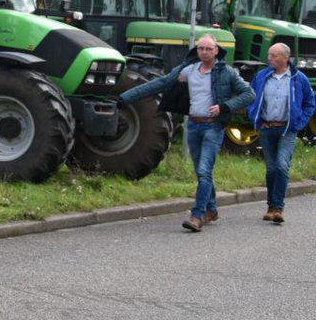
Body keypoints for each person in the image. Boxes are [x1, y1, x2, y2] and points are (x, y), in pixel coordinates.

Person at [119, 34, 253, 232]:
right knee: (201, 171)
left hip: (213, 127)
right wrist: (126, 97)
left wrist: (225, 107)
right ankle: (212, 209)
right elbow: (160, 83)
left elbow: (249, 94)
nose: (205, 52)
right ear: (196, 50)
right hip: (194, 126)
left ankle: (197, 215)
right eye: (201, 49)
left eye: (209, 49)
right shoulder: (187, 70)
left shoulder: (227, 72)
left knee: (204, 171)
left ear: (216, 51)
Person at [248, 42, 316, 224]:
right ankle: (270, 206)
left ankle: (278, 207)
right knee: (271, 169)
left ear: (285, 58)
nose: (269, 58)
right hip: (266, 128)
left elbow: (310, 102)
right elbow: (250, 96)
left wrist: (299, 123)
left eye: (274, 55)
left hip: (287, 129)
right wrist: (254, 115)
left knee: (281, 165)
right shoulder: (261, 76)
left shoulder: (298, 78)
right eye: (269, 55)